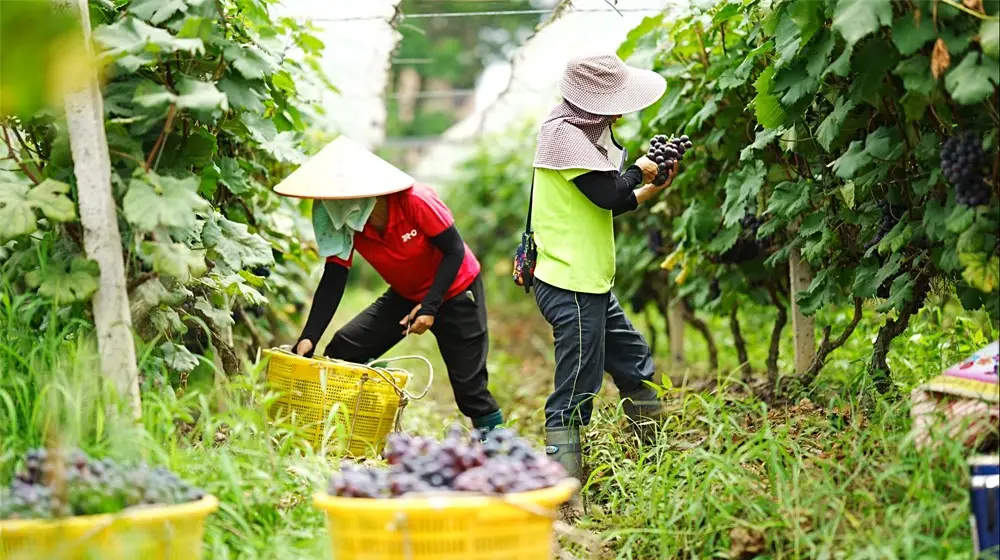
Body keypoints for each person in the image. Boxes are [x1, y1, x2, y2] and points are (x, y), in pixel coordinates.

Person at [273, 136, 504, 433]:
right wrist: (309, 337)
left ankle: (500, 448)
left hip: (456, 288)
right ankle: (355, 428)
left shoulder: (414, 200)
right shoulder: (344, 221)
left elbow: (454, 250)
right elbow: (334, 276)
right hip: (406, 293)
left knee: (470, 390)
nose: (332, 203)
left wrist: (431, 305)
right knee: (345, 348)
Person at [530, 54, 676, 483]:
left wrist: (654, 185)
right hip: (568, 282)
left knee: (633, 361)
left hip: (589, 282)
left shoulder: (586, 137)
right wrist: (638, 170)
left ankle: (659, 461)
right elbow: (609, 192)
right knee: (576, 386)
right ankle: (566, 495)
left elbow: (617, 201)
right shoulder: (562, 136)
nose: (621, 110)